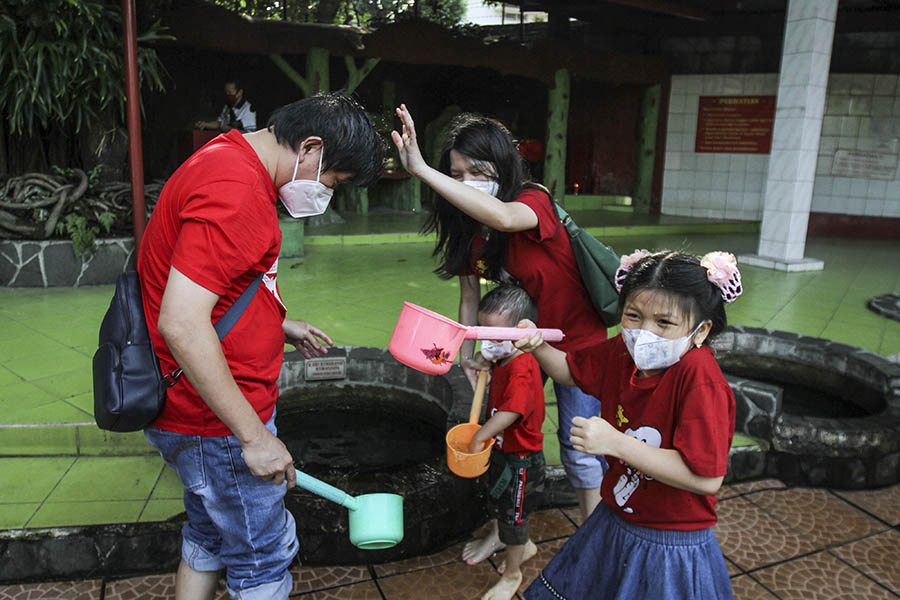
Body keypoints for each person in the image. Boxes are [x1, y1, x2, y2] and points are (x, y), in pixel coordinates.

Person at [138, 92, 383, 600]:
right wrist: (254, 438)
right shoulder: (236, 192)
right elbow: (182, 323)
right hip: (220, 426)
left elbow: (215, 286)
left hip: (200, 417)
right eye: (333, 181)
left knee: (206, 537)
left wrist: (278, 324)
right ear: (311, 148)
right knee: (260, 560)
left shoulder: (226, 156)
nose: (327, 192)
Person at [391, 105, 609, 548]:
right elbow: (470, 295)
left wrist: (425, 171)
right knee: (509, 439)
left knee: (579, 447)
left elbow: (504, 218)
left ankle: (595, 542)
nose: (467, 180)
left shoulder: (532, 201)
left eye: (477, 170)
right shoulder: (470, 230)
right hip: (520, 346)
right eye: (457, 172)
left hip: (575, 343)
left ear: (503, 164)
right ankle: (506, 528)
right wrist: (468, 353)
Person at [515, 249, 741, 600]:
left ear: (700, 331)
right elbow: (571, 371)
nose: (644, 332)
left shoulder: (699, 377)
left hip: (670, 539)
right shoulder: (624, 351)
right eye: (633, 316)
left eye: (664, 323)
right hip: (618, 517)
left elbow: (707, 478)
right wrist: (537, 345)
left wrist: (617, 443)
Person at [465, 284, 546, 600]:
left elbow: (512, 410)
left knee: (514, 515)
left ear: (522, 331)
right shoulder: (504, 356)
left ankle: (513, 574)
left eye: (498, 336)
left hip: (521, 460)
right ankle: (522, 545)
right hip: (504, 451)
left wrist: (480, 435)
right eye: (486, 334)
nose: (490, 342)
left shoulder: (523, 365)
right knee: (504, 507)